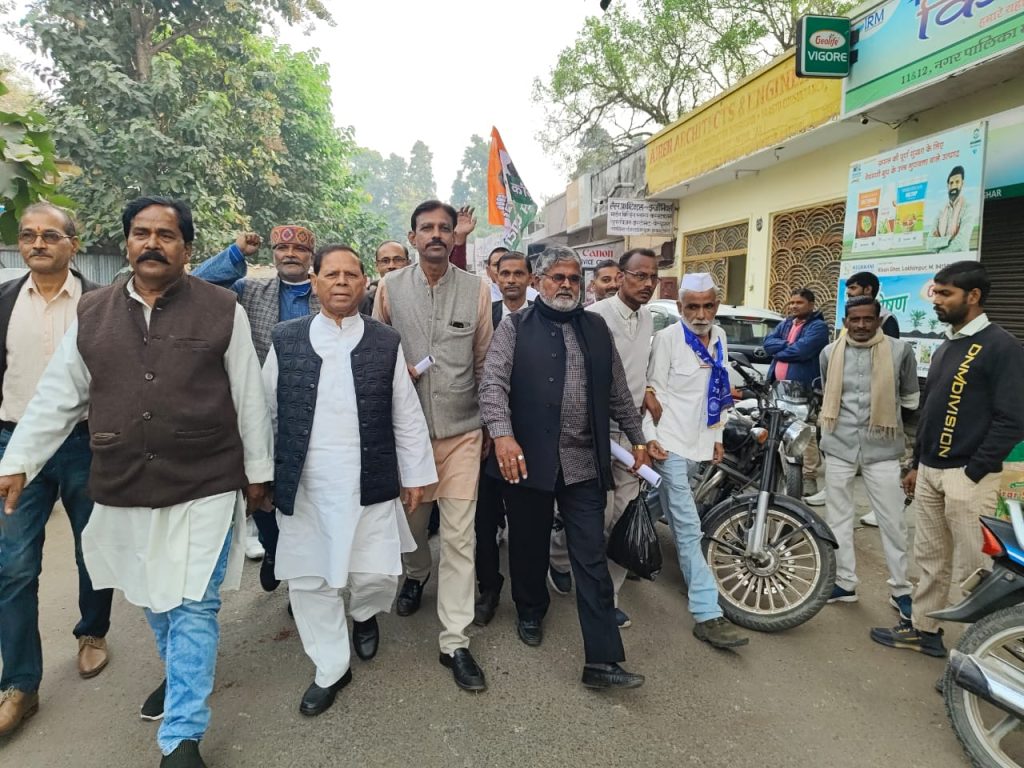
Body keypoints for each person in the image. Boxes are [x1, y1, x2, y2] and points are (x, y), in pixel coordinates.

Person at [0, 197, 273, 767]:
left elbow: (249, 395)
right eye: (141, 233)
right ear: (127, 243)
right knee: (151, 595)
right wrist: (19, 459)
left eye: (166, 235)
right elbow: (58, 395)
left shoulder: (222, 308)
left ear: (187, 248)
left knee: (193, 605)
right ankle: (181, 677)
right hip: (123, 482)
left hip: (204, 481)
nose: (152, 243)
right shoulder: (93, 312)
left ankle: (182, 735)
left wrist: (259, 475)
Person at [263, 244, 436, 716]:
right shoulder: (286, 338)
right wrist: (261, 475)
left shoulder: (385, 341)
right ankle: (331, 667)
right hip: (306, 483)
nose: (341, 282)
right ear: (314, 282)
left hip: (369, 478)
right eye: (331, 274)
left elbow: (406, 412)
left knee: (374, 570)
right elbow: (266, 411)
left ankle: (364, 614)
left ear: (365, 283)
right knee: (309, 578)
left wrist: (415, 475)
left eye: (351, 275)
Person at [479, 246, 647, 689]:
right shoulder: (515, 326)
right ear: (538, 282)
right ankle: (530, 610)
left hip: (583, 461)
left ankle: (602, 661)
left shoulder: (596, 327)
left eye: (574, 278)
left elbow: (618, 392)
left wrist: (638, 438)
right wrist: (503, 435)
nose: (567, 285)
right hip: (527, 459)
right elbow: (492, 384)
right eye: (558, 277)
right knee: (528, 545)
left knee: (590, 556)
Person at [0, 203, 114, 738]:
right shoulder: (4, 302)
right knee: (14, 566)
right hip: (15, 446)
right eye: (28, 236)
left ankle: (92, 631)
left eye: (49, 235)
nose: (37, 244)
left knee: (92, 548)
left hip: (85, 443)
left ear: (73, 242)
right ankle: (20, 684)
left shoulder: (100, 303)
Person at [871, 261, 1024, 658]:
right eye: (935, 293)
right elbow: (931, 412)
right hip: (931, 473)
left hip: (969, 477)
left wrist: (975, 470)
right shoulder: (947, 346)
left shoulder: (1002, 347)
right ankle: (924, 630)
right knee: (930, 558)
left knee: (976, 570)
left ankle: (981, 659)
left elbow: (1013, 418)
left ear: (973, 296)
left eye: (945, 294)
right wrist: (917, 464)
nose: (936, 300)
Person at [373, 200, 493, 692]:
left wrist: (490, 427)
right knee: (413, 527)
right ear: (413, 237)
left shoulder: (476, 289)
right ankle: (417, 573)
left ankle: (455, 641)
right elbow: (375, 353)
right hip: (409, 436)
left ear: (452, 236)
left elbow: (484, 362)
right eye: (427, 228)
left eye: (445, 228)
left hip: (463, 432)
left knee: (461, 538)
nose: (437, 235)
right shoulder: (389, 288)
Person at [191, 223, 319, 592]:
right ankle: (274, 548)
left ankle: (302, 578)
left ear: (311, 256)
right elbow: (195, 287)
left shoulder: (325, 290)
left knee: (307, 492)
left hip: (314, 408)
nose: (290, 255)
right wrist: (235, 254)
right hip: (259, 406)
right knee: (260, 484)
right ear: (273, 254)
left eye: (299, 250)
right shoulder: (251, 290)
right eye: (282, 249)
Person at [548, 247, 657, 628]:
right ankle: (559, 558)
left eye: (653, 277)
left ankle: (608, 598)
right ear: (621, 276)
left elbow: (640, 376)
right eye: (640, 275)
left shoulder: (648, 319)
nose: (647, 284)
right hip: (593, 433)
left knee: (624, 517)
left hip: (630, 433)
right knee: (595, 515)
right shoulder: (594, 318)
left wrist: (642, 433)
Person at [644, 272, 750, 649]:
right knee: (688, 525)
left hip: (699, 443)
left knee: (656, 503)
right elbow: (651, 393)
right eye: (692, 307)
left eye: (707, 306)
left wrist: (716, 438)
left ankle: (624, 546)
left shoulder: (719, 336)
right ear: (680, 307)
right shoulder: (667, 340)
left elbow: (717, 391)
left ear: (716, 306)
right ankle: (707, 613)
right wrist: (651, 438)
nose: (700, 314)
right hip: (669, 441)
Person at [818, 297, 918, 619]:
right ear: (845, 321)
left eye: (868, 319)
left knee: (892, 521)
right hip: (839, 444)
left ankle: (901, 589)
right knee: (838, 518)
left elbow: (910, 400)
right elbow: (828, 392)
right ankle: (845, 583)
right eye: (855, 319)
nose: (861, 325)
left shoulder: (900, 351)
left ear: (878, 320)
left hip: (883, 448)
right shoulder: (828, 353)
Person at [475, 251, 533, 626]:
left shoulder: (542, 318)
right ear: (495, 277)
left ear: (530, 278)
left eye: (518, 273)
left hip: (527, 437)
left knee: (525, 522)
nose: (511, 279)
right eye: (504, 273)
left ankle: (528, 599)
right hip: (484, 435)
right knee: (483, 521)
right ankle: (488, 588)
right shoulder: (486, 316)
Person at [763, 288, 830, 496]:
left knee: (805, 432)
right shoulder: (786, 324)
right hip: (779, 387)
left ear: (811, 304)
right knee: (778, 429)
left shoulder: (818, 327)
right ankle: (784, 473)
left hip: (803, 388)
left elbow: (802, 351)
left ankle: (809, 477)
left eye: (798, 303)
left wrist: (779, 351)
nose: (793, 306)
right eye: (791, 302)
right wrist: (787, 344)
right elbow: (767, 344)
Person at [360, 241, 411, 315]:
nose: (391, 266)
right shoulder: (363, 301)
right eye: (385, 261)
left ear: (409, 264)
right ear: (376, 266)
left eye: (398, 260)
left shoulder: (421, 294)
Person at [930, 166, 973, 253]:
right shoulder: (941, 212)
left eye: (957, 182)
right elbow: (929, 244)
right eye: (951, 183)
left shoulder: (968, 208)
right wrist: (950, 239)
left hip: (961, 261)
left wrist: (940, 249)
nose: (953, 186)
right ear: (947, 186)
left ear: (962, 183)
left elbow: (962, 243)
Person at [845, 272, 899, 339]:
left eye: (853, 288)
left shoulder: (886, 317)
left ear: (868, 289)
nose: (848, 292)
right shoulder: (849, 315)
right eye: (855, 320)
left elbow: (892, 344)